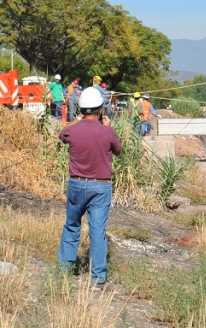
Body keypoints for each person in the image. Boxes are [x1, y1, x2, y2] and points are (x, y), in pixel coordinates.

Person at [57, 87, 121, 287]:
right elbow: (119, 150)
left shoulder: (73, 130)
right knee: (97, 231)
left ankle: (66, 270)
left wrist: (77, 120)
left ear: (81, 108)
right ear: (100, 109)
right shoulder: (106, 131)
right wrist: (108, 127)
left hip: (76, 184)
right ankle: (98, 277)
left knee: (72, 226)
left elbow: (62, 134)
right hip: (100, 187)